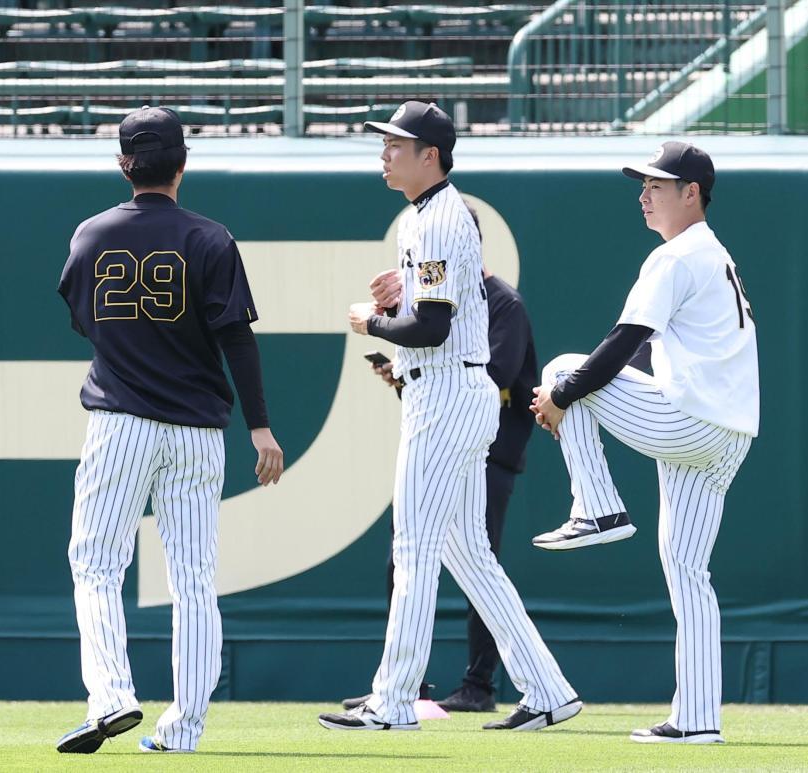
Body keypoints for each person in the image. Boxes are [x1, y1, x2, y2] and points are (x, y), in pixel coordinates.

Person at [318, 100, 579, 732]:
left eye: (395, 145)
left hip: (445, 394)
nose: (384, 153)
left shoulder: (436, 219)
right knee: (469, 555)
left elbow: (431, 329)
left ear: (428, 155)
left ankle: (394, 700)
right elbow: (442, 307)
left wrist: (372, 321)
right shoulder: (434, 215)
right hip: (454, 393)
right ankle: (549, 689)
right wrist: (403, 294)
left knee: (413, 548)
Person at [54, 106, 284, 754]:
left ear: (124, 163)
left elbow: (82, 318)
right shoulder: (210, 238)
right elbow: (237, 339)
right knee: (192, 578)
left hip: (121, 423)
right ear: (183, 163)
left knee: (96, 564)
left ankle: (112, 695)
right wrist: (260, 426)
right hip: (195, 431)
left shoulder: (91, 236)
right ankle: (181, 729)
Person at [530, 141, 758, 744]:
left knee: (561, 370)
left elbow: (623, 339)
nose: (644, 193)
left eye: (658, 184)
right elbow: (646, 346)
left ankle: (596, 508)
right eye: (643, 184)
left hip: (690, 421)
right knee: (689, 572)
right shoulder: (713, 254)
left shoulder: (678, 256)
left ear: (692, 194)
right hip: (729, 435)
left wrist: (562, 396)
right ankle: (697, 719)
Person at [342, 208, 539, 714]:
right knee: (429, 557)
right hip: (455, 429)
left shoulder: (503, 303)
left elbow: (489, 374)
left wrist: (380, 324)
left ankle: (477, 685)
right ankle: (413, 687)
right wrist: (402, 373)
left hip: (489, 447)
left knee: (471, 559)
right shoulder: (445, 293)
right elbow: (437, 350)